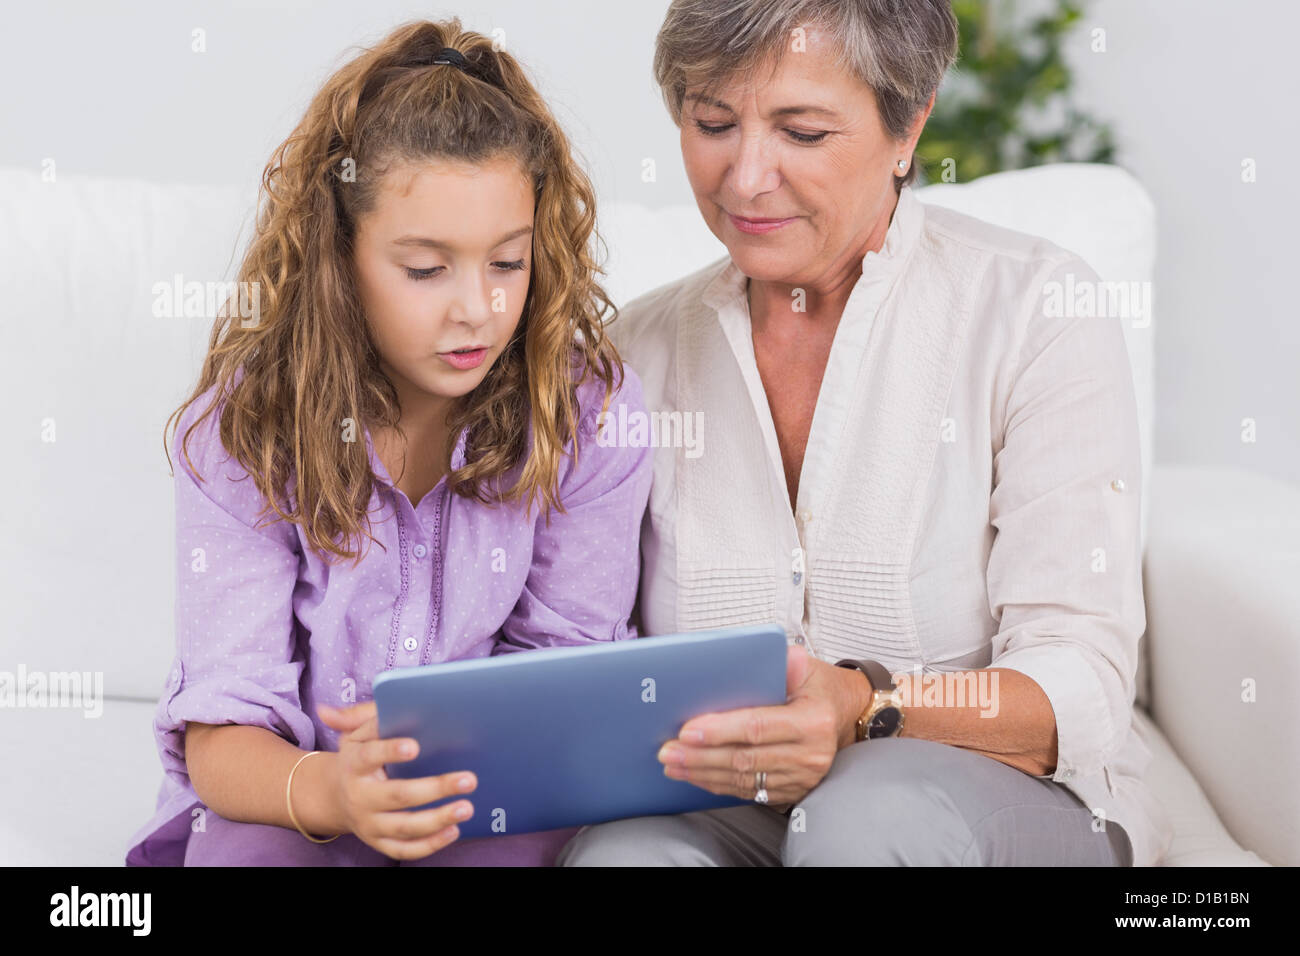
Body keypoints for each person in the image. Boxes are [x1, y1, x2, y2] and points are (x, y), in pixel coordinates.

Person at [559, 0, 1173, 866]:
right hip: (730, 806)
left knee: (863, 814)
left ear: (907, 126)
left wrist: (866, 704)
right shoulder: (628, 357)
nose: (746, 177)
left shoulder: (1035, 310)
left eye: (802, 132)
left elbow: (1080, 688)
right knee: (625, 856)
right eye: (713, 123)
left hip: (1005, 800)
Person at [125, 18, 652, 866]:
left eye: (506, 263)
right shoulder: (246, 430)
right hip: (287, 796)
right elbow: (223, 734)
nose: (476, 308)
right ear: (340, 255)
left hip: (493, 801)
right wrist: (334, 792)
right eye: (426, 269)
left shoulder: (587, 414)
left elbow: (568, 688)